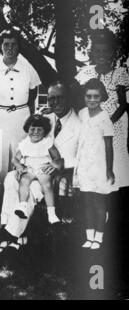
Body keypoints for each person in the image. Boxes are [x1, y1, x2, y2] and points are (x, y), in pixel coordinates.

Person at [0, 81, 81, 249]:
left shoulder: (79, 125)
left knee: (33, 189)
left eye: (60, 98)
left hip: (55, 175)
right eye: (51, 99)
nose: (55, 102)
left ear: (69, 98)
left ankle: (11, 235)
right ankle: (9, 226)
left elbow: (83, 156)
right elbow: (30, 139)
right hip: (32, 168)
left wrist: (60, 164)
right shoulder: (46, 118)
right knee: (10, 178)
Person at [0, 29, 41, 182]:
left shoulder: (28, 68)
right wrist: (3, 106)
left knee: (21, 157)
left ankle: (18, 201)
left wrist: (18, 107)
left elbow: (32, 94)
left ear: (19, 47)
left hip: (21, 118)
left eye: (14, 44)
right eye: (6, 44)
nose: (10, 48)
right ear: (0, 46)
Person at [75, 29, 129, 190]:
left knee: (114, 162)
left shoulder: (119, 73)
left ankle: (115, 199)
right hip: (91, 126)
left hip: (114, 126)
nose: (101, 55)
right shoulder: (86, 72)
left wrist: (107, 122)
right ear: (92, 52)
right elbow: (77, 98)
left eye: (105, 51)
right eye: (98, 51)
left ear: (112, 52)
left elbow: (124, 103)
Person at [74, 78, 116, 249]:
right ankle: (89, 236)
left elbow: (108, 145)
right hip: (84, 164)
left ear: (102, 97)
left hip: (99, 166)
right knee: (87, 202)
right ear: (84, 97)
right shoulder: (82, 113)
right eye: (88, 96)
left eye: (96, 97)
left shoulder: (105, 117)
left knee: (99, 203)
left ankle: (99, 237)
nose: (92, 100)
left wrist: (109, 169)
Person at [12, 115, 63, 223]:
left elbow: (57, 157)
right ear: (27, 129)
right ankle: (23, 206)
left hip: (42, 168)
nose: (35, 132)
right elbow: (15, 159)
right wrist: (20, 167)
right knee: (24, 181)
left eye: (39, 129)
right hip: (29, 169)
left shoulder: (47, 142)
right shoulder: (24, 143)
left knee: (47, 185)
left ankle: (51, 213)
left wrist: (52, 165)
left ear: (45, 131)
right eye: (32, 129)